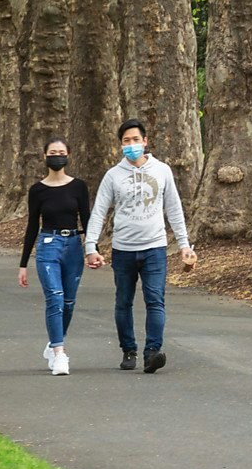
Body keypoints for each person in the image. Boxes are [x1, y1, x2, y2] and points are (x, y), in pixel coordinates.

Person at [84, 119, 196, 373]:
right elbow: (99, 211)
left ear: (145, 141)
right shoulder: (113, 176)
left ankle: (152, 352)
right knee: (123, 301)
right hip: (123, 249)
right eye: (126, 141)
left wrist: (184, 244)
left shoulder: (162, 170)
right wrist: (91, 246)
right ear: (121, 145)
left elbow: (173, 208)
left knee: (155, 299)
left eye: (136, 140)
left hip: (155, 247)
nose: (132, 145)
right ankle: (129, 349)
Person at [18, 139, 90, 376]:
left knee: (68, 302)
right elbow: (31, 226)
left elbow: (87, 220)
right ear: (44, 156)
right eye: (52, 153)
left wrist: (92, 249)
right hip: (48, 245)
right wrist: (23, 264)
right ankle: (60, 353)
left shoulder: (78, 187)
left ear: (68, 155)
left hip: (73, 246)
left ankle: (53, 342)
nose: (57, 156)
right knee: (55, 298)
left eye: (61, 152)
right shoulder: (38, 190)